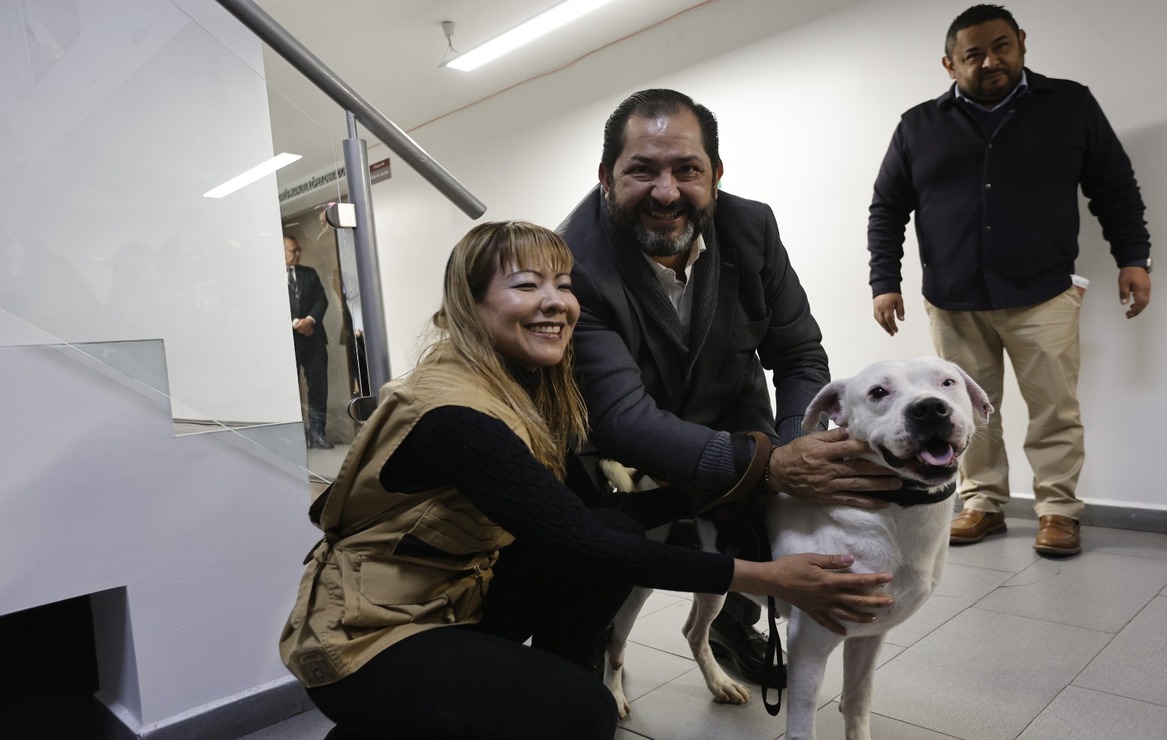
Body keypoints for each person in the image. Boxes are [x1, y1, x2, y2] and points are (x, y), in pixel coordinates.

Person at [279, 221, 894, 739]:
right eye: (526, 285)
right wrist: (766, 578)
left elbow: (593, 512)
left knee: (609, 523)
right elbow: (581, 541)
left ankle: (527, 691)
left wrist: (740, 486)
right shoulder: (455, 414)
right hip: (365, 638)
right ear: (470, 305)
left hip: (448, 601)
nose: (557, 302)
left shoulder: (521, 387)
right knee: (584, 709)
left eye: (563, 285)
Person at [558, 89, 902, 687]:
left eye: (686, 169)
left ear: (715, 175)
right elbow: (622, 416)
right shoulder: (573, 262)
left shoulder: (753, 226)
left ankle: (734, 623)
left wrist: (798, 446)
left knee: (764, 518)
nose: (666, 192)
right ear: (607, 178)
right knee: (608, 543)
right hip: (615, 446)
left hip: (729, 415)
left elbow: (797, 354)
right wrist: (772, 465)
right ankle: (592, 642)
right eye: (641, 170)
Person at [867, 4, 1153, 556]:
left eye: (1001, 46)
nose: (990, 61)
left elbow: (1115, 188)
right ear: (950, 64)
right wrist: (885, 280)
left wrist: (1133, 258)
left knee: (1055, 409)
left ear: (1021, 42)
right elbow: (887, 208)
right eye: (973, 54)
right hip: (952, 300)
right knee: (964, 412)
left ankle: (1058, 511)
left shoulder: (1070, 105)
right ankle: (982, 503)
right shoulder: (918, 126)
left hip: (1042, 293)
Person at [284, 233, 334, 449]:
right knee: (291, 389)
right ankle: (294, 435)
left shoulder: (309, 273)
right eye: (293, 250)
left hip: (313, 339)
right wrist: (296, 323)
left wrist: (310, 320)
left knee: (318, 386)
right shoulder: (268, 278)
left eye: (298, 250)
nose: (298, 254)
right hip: (288, 342)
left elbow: (321, 299)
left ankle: (317, 433)